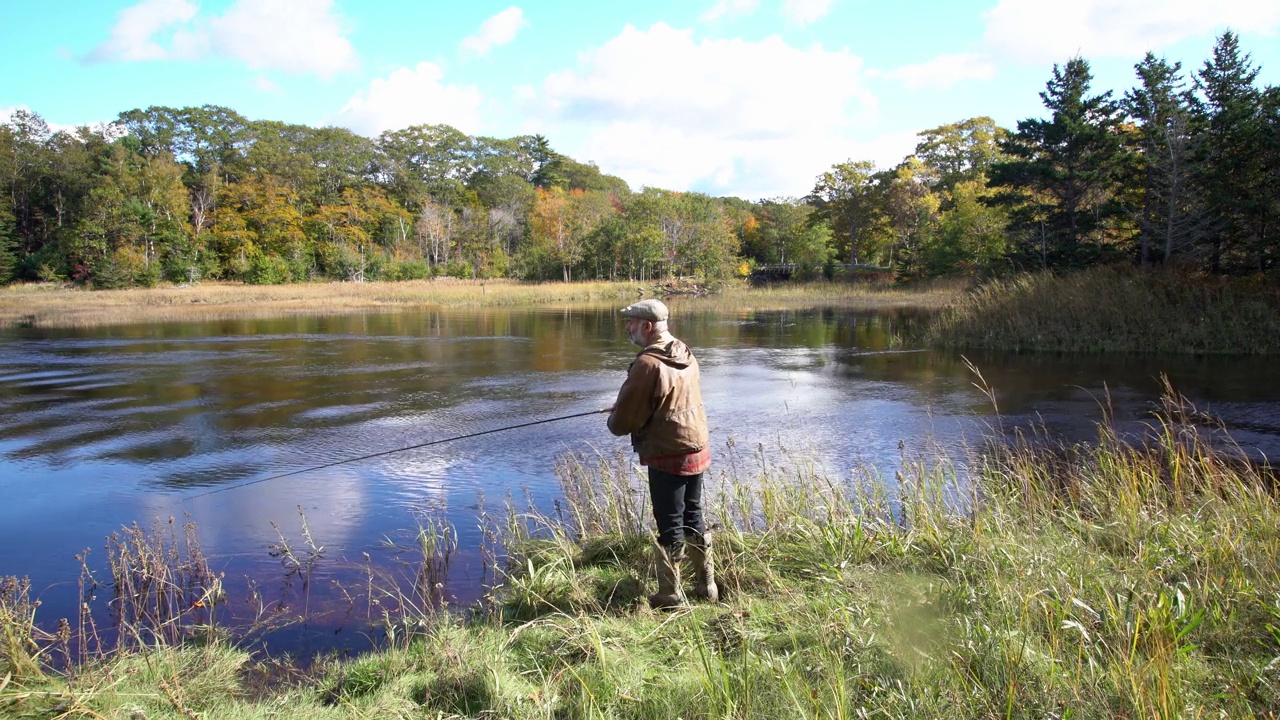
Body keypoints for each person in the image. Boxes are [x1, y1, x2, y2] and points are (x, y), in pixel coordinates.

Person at [607, 298, 718, 608]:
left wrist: (614, 418)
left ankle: (670, 595)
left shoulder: (648, 364)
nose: (627, 329)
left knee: (669, 521)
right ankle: (706, 587)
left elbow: (624, 422)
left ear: (647, 326)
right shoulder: (685, 351)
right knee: (692, 514)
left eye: (631, 324)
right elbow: (670, 400)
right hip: (695, 444)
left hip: (669, 451)